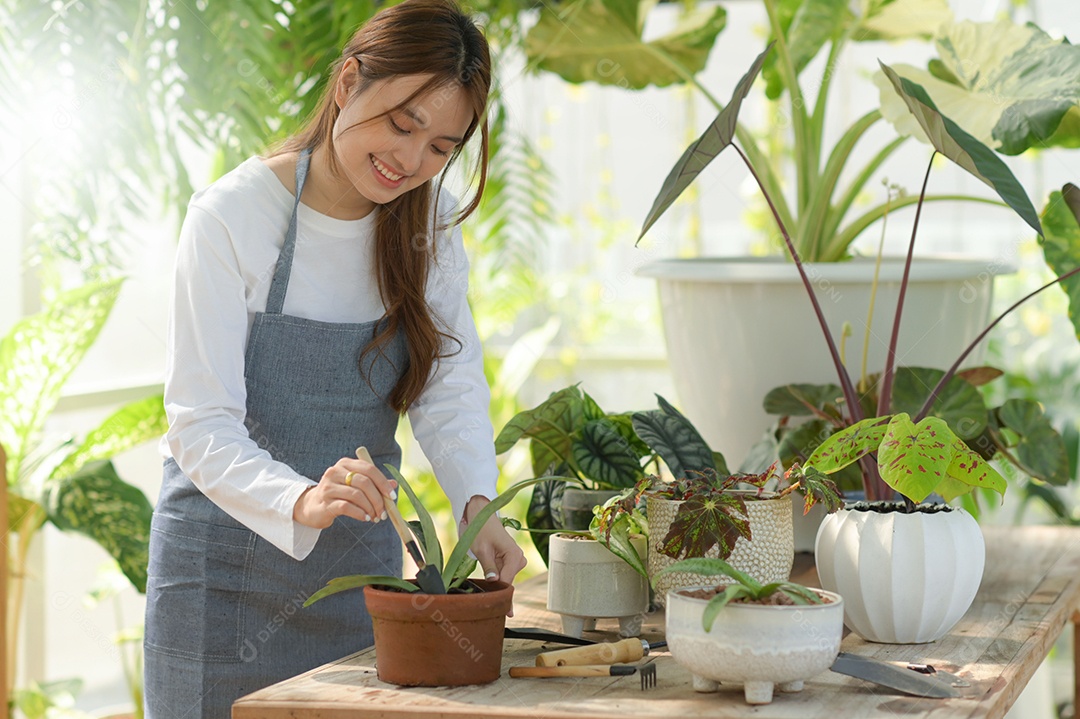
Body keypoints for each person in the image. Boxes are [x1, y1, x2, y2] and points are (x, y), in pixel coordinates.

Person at [143, 1, 526, 715]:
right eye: (401, 124)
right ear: (348, 81)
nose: (411, 161)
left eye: (441, 147)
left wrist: (478, 502)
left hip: (357, 585)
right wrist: (301, 497)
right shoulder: (232, 217)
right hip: (217, 587)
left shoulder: (429, 227)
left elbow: (447, 386)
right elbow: (199, 425)